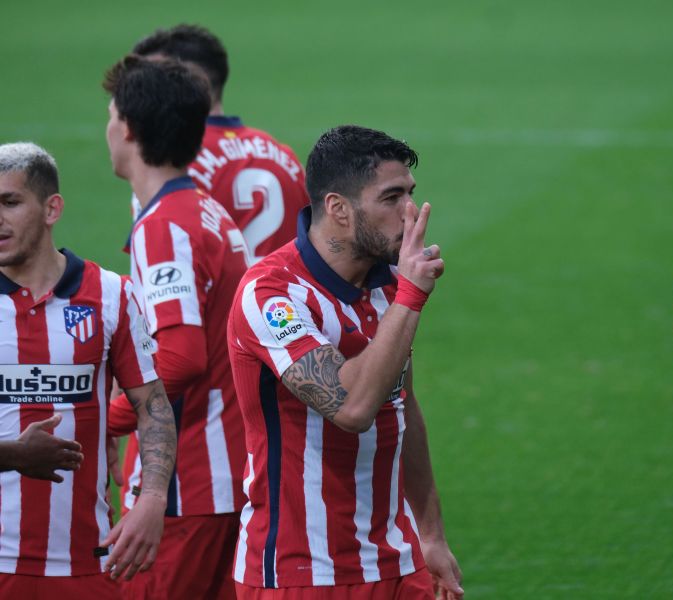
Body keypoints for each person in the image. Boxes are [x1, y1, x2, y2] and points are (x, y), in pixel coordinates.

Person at [227, 125, 463, 599]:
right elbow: (352, 408)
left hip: (399, 561)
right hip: (304, 572)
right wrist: (412, 297)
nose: (410, 212)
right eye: (391, 198)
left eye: (410, 194)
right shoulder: (272, 295)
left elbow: (401, 404)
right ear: (338, 208)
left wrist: (430, 534)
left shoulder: (389, 283)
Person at [0, 142, 176, 597]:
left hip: (86, 562)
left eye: (10, 202)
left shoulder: (112, 295)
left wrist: (152, 499)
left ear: (51, 208)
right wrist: (12, 455)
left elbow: (152, 405)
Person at [103, 56, 249, 599]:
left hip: (186, 484)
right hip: (225, 472)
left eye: (110, 116)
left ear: (129, 128)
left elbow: (182, 358)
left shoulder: (165, 228)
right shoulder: (206, 210)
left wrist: (107, 417)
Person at [130, 23, 310, 264]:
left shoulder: (172, 163)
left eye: (150, 83)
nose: (133, 98)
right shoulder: (287, 158)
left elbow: (159, 262)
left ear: (196, 83)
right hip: (285, 289)